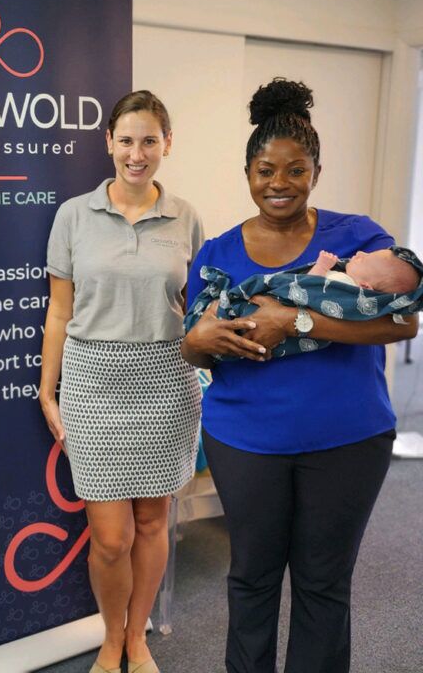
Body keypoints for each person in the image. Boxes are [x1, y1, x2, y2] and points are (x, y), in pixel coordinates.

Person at [180, 77, 418, 673]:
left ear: (316, 170)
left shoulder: (358, 235)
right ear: (248, 172)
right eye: (265, 170)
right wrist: (196, 342)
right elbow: (195, 347)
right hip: (245, 442)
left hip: (348, 440)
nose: (278, 184)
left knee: (322, 584)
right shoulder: (216, 252)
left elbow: (401, 325)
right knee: (252, 580)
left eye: (294, 170)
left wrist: (297, 323)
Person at [40, 90, 203, 673]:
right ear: (108, 142)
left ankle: (138, 636)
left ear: (166, 144)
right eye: (126, 140)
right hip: (94, 383)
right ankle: (112, 635)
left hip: (164, 379)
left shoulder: (186, 217)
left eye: (149, 141)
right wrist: (46, 388)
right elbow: (60, 310)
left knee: (153, 521)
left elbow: (196, 304)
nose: (137, 153)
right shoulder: (73, 215)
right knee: (110, 537)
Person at [185, 245, 423, 359]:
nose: (359, 254)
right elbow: (189, 350)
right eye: (266, 171)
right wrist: (196, 339)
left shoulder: (344, 284)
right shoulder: (218, 246)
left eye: (365, 259)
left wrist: (286, 321)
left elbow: (308, 289)